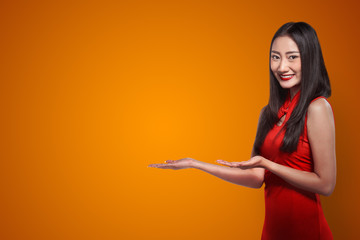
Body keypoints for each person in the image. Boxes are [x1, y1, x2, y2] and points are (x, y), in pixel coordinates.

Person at [148, 22, 336, 240]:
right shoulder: (268, 114)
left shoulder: (318, 108)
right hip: (274, 231)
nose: (282, 66)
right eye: (275, 57)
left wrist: (269, 164)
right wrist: (195, 164)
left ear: (310, 58)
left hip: (308, 232)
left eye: (292, 57)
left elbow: (326, 184)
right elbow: (256, 177)